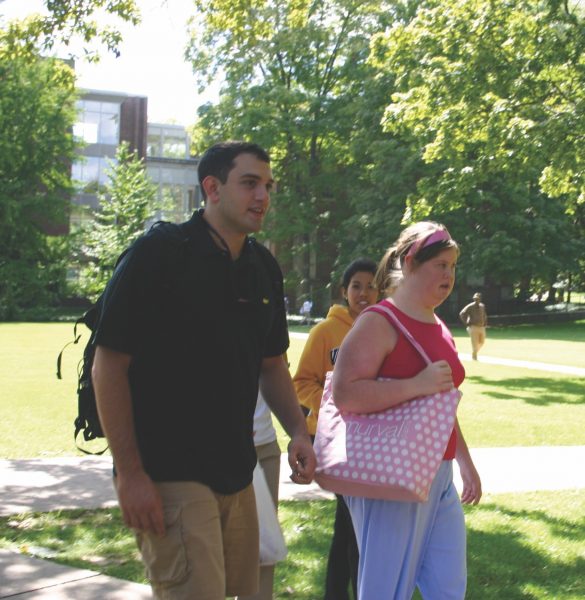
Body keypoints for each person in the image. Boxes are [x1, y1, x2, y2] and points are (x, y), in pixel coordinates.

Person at [92, 141, 316, 600]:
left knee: (246, 592)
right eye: (250, 183)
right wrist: (131, 475)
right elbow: (108, 364)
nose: (263, 197)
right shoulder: (160, 255)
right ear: (211, 188)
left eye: (268, 186)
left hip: (237, 472)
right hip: (169, 471)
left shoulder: (262, 267)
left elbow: (271, 363)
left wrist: (298, 429)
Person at [332, 222, 482, 599]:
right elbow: (345, 393)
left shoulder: (438, 325)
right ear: (411, 262)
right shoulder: (379, 321)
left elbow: (441, 404)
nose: (449, 274)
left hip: (439, 473)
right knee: (385, 590)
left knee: (449, 587)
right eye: (440, 265)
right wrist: (416, 384)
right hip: (393, 474)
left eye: (452, 266)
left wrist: (464, 461)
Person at [293, 258, 378, 600]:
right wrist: (329, 408)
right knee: (351, 519)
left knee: (351, 523)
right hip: (335, 438)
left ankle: (343, 592)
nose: (364, 292)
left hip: (371, 441)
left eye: (371, 285)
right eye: (357, 286)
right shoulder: (326, 332)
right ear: (345, 291)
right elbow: (300, 382)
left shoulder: (384, 328)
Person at [237, 392, 281, 600]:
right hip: (211, 449)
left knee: (263, 551)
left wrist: (298, 432)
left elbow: (274, 370)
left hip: (264, 446)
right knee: (206, 554)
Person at [459, 292, 488, 360]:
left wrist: (485, 322)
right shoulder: (470, 306)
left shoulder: (482, 306)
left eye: (478, 299)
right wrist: (466, 322)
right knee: (475, 342)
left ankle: (474, 352)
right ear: (473, 299)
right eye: (475, 299)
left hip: (481, 327)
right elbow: (462, 314)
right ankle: (474, 356)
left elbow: (484, 315)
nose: (476, 300)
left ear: (480, 299)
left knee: (482, 342)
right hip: (473, 327)